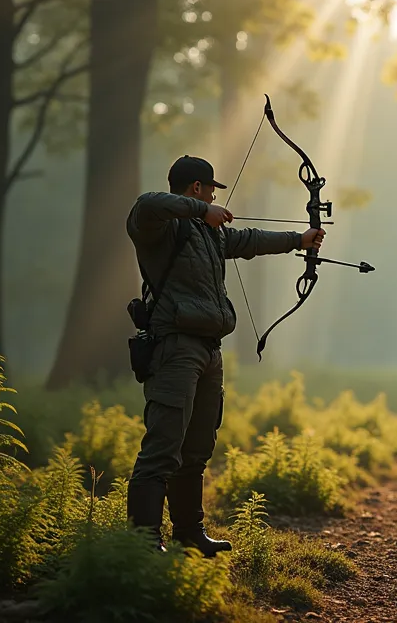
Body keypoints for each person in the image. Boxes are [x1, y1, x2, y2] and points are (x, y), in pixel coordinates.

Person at [124, 154, 325, 556]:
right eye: (211, 189)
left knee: (196, 450)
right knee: (163, 448)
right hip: (175, 348)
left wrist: (299, 240)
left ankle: (188, 533)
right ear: (197, 188)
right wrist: (205, 210)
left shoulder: (211, 234)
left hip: (209, 352)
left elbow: (250, 240)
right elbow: (147, 203)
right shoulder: (158, 228)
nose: (216, 195)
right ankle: (143, 545)